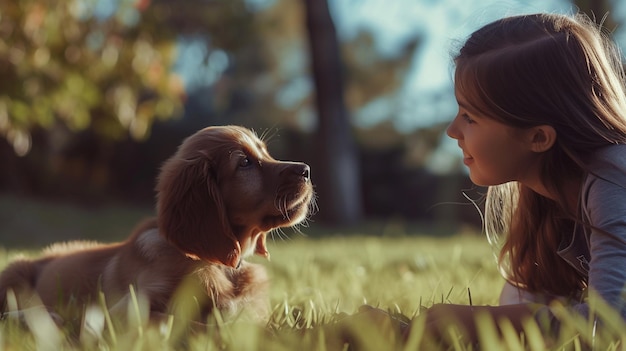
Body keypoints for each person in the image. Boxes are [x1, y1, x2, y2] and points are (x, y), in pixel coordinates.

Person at [343, 12, 626, 347]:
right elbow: (524, 325)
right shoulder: (544, 197)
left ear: (538, 137)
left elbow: (612, 322)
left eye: (469, 117)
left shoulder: (613, 177)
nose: (452, 131)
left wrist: (478, 320)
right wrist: (411, 334)